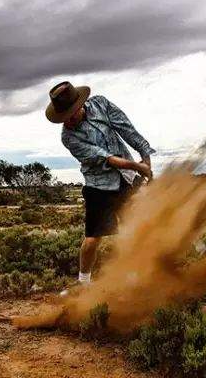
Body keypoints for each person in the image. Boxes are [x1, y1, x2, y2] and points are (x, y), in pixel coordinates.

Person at [45, 81, 155, 291]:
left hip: (127, 179)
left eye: (72, 113)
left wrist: (145, 156)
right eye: (64, 117)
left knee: (132, 229)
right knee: (93, 239)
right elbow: (105, 158)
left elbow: (127, 129)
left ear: (80, 105)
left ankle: (132, 278)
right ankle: (83, 283)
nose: (69, 120)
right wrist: (138, 166)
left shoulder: (101, 105)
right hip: (99, 187)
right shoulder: (69, 138)